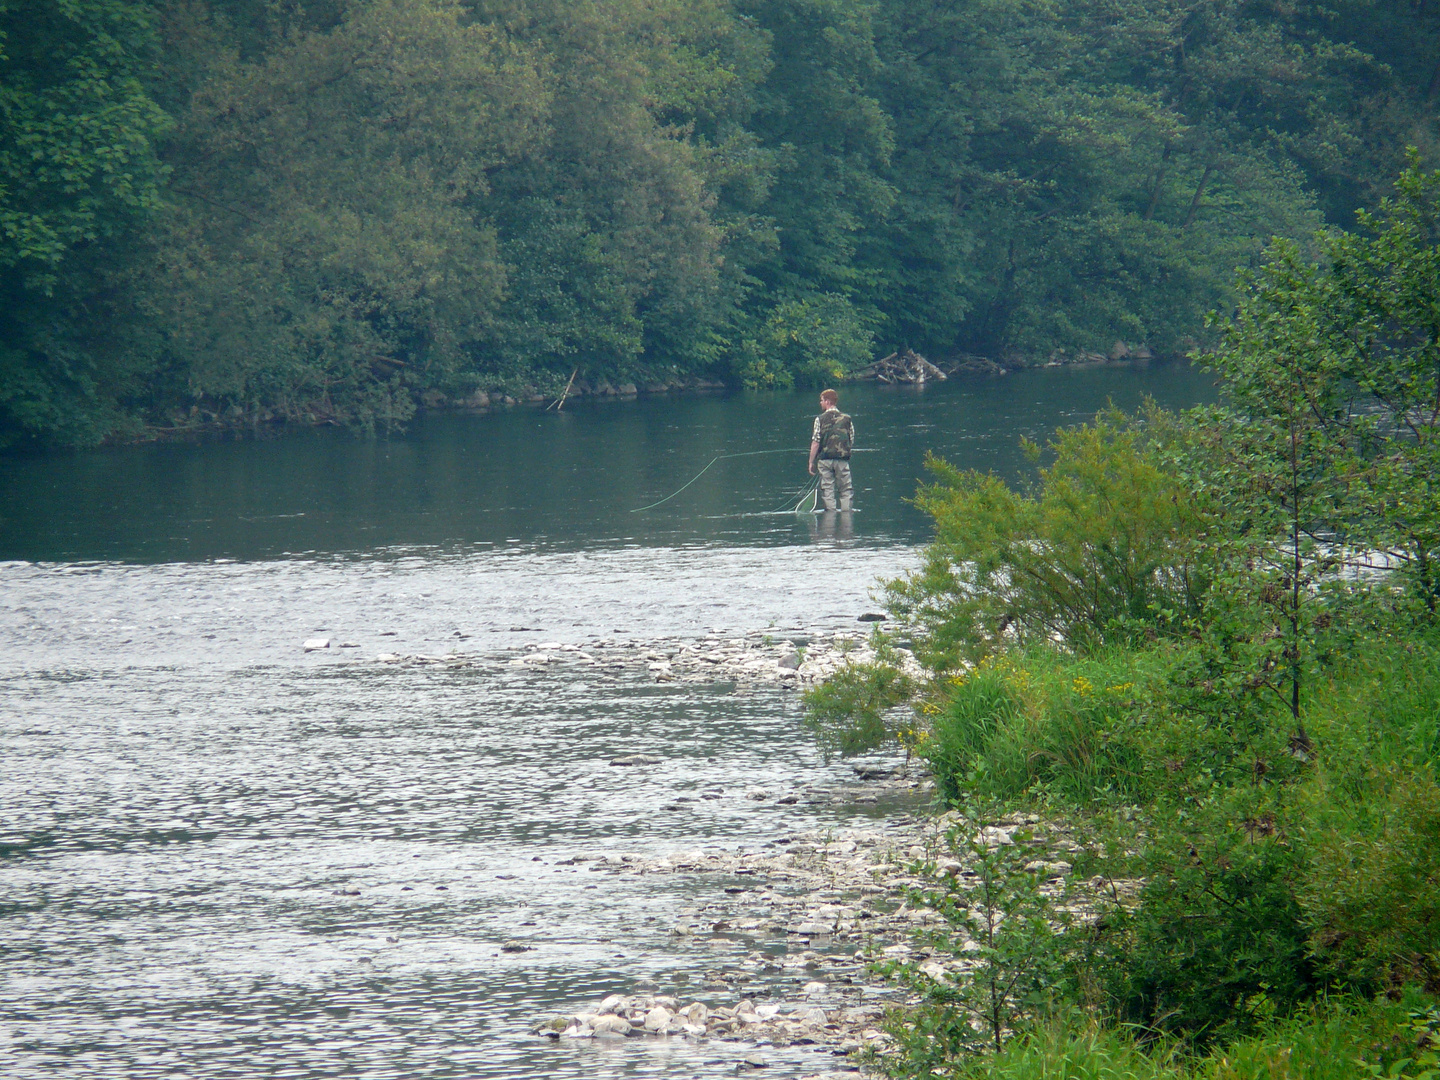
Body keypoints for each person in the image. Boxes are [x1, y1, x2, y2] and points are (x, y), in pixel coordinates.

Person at [808, 388, 854, 511]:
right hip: (842, 460)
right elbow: (851, 439)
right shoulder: (847, 418)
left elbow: (815, 442)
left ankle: (830, 521)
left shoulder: (819, 419)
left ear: (828, 402)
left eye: (821, 400)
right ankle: (846, 521)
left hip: (825, 460)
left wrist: (811, 462)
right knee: (845, 490)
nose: (820, 403)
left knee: (827, 490)